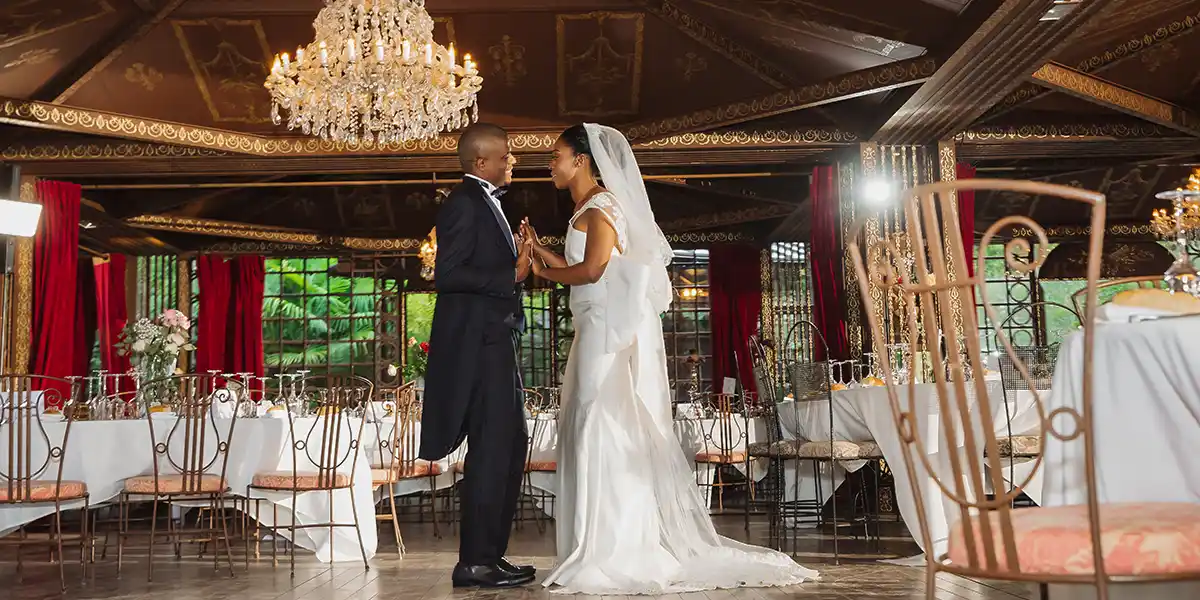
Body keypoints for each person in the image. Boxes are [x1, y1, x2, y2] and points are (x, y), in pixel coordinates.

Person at [520, 123, 819, 595]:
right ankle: (590, 542)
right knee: (585, 430)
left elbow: (594, 271)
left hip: (601, 339)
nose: (549, 163)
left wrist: (540, 269)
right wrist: (544, 253)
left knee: (598, 429)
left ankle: (610, 547)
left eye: (555, 155)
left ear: (581, 159)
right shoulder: (586, 208)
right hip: (591, 333)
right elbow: (592, 272)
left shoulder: (599, 208)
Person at [419, 122, 537, 589]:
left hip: (496, 340)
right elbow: (447, 274)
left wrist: (517, 267)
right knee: (491, 453)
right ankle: (474, 563)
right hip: (479, 346)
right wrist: (511, 272)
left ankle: (491, 554)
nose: (513, 161)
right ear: (482, 162)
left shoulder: (486, 202)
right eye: (507, 155)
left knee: (509, 448)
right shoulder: (464, 203)